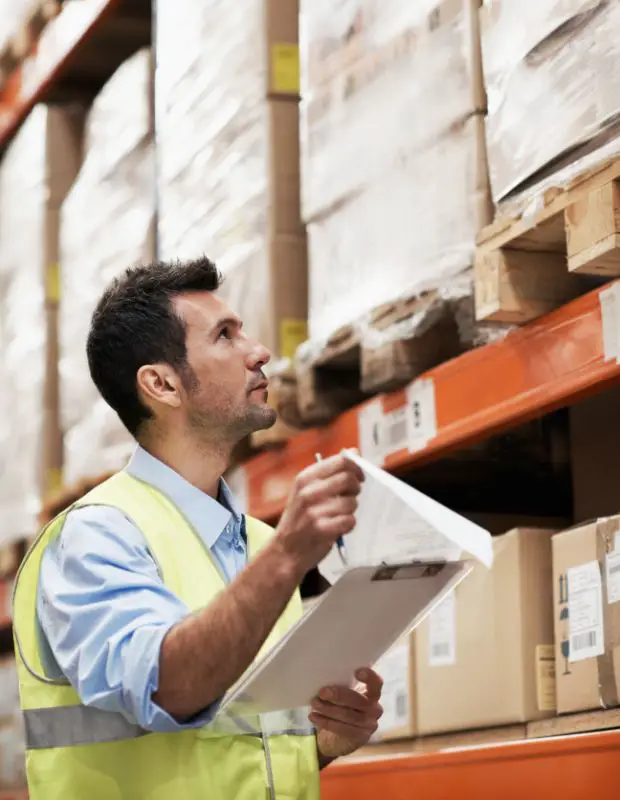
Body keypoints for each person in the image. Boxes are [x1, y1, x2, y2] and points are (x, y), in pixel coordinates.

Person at [13, 257, 383, 800]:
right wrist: (285, 558)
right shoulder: (94, 537)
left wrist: (321, 740)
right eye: (226, 336)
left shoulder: (257, 542)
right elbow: (169, 685)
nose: (259, 352)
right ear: (161, 384)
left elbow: (242, 743)